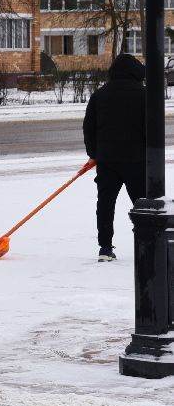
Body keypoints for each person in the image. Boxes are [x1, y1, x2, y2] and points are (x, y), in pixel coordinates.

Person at [84, 52, 147, 262]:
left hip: (107, 161)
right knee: (143, 205)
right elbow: (151, 129)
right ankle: (145, 244)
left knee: (105, 203)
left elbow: (89, 128)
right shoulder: (144, 94)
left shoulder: (100, 95)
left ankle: (105, 247)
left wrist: (94, 154)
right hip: (136, 160)